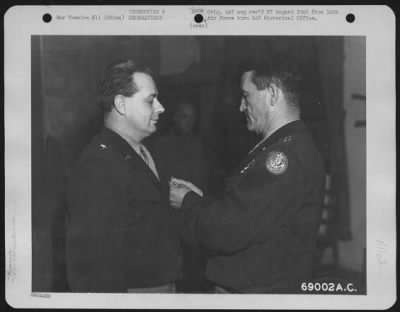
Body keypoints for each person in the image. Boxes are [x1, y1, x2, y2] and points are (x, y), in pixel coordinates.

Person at [170, 58, 325, 293]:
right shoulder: (285, 146)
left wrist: (188, 202)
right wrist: (200, 199)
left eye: (246, 96)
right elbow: (249, 212)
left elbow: (228, 229)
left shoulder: (284, 156)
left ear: (272, 94)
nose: (241, 107)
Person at [66, 60, 181, 293]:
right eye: (150, 100)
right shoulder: (99, 164)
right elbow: (94, 265)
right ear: (121, 104)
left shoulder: (141, 152)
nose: (161, 108)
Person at [152, 99, 210, 293]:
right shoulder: (162, 145)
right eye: (185, 116)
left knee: (193, 273)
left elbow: (202, 181)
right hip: (170, 220)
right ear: (176, 118)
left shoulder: (198, 145)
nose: (189, 122)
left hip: (193, 219)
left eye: (192, 117)